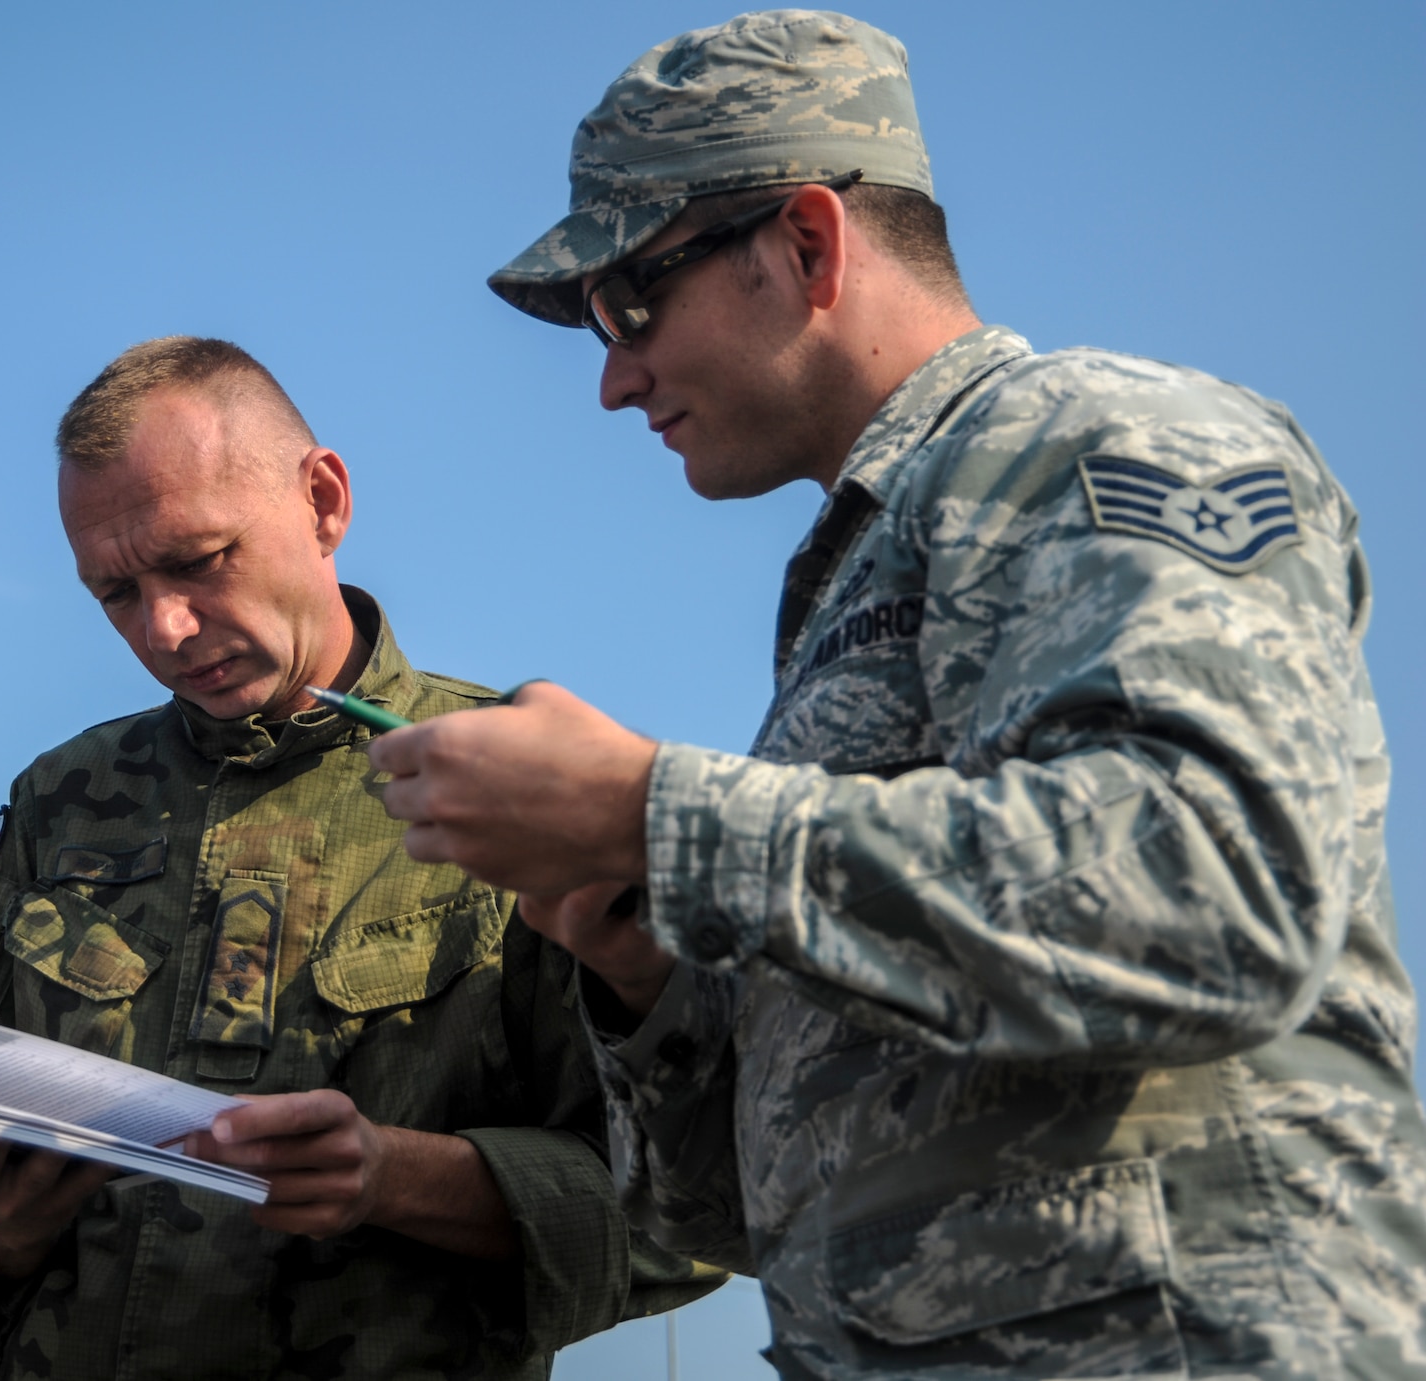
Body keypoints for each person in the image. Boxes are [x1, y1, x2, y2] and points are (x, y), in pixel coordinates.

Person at [367, 11, 1426, 1377]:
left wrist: (657, 815)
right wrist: (641, 962)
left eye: (632, 303)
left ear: (808, 244)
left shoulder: (1110, 438)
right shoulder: (855, 580)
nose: (615, 377)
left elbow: (1221, 894)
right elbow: (754, 1211)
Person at [0, 336, 717, 1381]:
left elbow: (695, 1201)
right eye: (114, 593)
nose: (164, 628)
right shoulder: (64, 800)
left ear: (323, 500)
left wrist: (395, 1177)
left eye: (198, 560)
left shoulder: (514, 779)